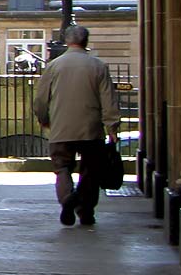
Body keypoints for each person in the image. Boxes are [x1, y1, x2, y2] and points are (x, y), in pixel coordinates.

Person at [34, 25, 120, 226]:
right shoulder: (98, 66)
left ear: (66, 41)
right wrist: (112, 126)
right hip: (91, 129)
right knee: (90, 171)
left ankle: (67, 200)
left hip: (61, 127)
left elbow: (40, 99)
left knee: (62, 167)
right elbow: (108, 100)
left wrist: (43, 118)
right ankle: (86, 211)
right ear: (86, 42)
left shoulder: (54, 66)